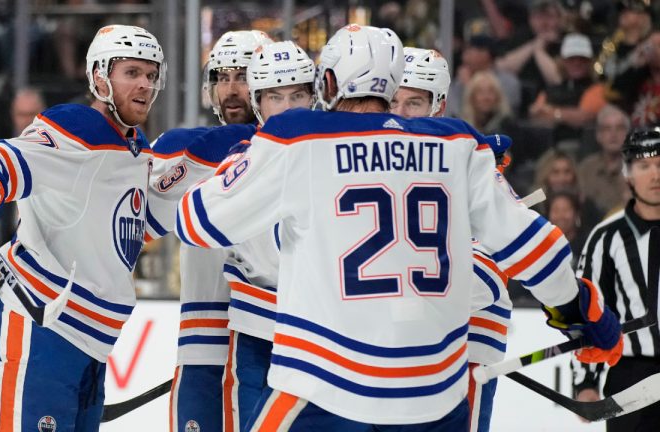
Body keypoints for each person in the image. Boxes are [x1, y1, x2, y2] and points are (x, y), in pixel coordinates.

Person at [176, 24, 623, 430]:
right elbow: (534, 247)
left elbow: (195, 222)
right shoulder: (458, 144)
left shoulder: (299, 140)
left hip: (324, 388)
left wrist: (241, 161)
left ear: (326, 84)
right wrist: (579, 314)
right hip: (433, 395)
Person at [0, 24, 165, 430]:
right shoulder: (79, 127)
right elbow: (10, 156)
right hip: (43, 331)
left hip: (90, 343)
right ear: (98, 77)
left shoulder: (136, 148)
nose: (144, 84)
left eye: (150, 74)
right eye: (131, 72)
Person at [145, 30, 272, 432]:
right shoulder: (182, 147)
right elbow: (138, 224)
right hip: (204, 341)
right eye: (222, 77)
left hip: (274, 340)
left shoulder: (297, 150)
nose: (232, 89)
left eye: (243, 76)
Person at [390, 47, 511, 432]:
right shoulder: (374, 164)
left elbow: (490, 275)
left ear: (438, 106)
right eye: (392, 101)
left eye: (413, 103)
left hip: (468, 342)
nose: (399, 113)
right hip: (400, 347)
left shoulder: (468, 162)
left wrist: (410, 292)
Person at [217, 40, 315, 432]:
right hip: (258, 335)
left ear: (315, 96)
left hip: (323, 338)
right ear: (259, 102)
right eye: (276, 96)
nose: (288, 107)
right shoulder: (239, 164)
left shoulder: (339, 159)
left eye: (297, 95)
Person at [572, 126, 660, 431]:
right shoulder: (605, 238)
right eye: (644, 166)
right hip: (631, 377)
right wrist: (585, 380)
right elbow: (588, 313)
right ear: (628, 174)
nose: (655, 175)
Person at [577, 105, 631, 215]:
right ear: (598, 135)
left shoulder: (640, 167)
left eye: (619, 128)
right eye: (607, 129)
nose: (613, 134)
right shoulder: (585, 169)